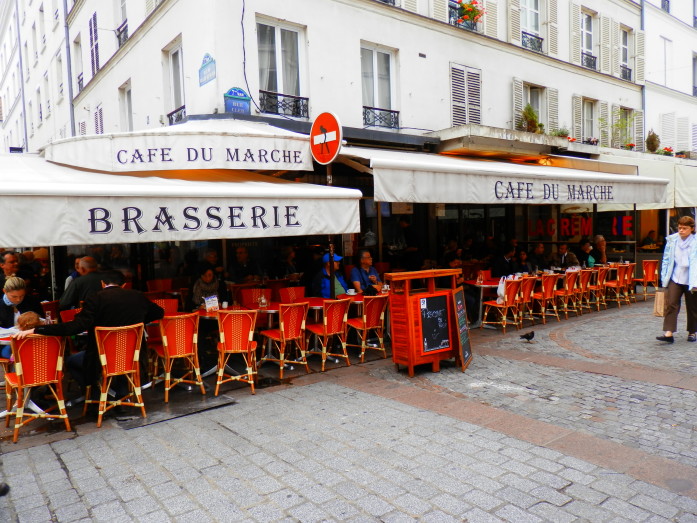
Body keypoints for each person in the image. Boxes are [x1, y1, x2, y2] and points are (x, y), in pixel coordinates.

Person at [16, 270, 164, 391]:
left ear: (102, 283)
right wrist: (136, 320)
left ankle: (97, 391)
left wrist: (38, 329)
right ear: (124, 284)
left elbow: (74, 327)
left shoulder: (95, 299)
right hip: (132, 355)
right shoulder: (137, 296)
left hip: (101, 358)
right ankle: (116, 392)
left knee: (72, 361)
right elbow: (159, 313)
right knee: (106, 361)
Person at [656, 216, 697, 343]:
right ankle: (669, 333)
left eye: (685, 228)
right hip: (675, 276)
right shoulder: (673, 240)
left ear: (692, 229)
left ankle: (692, 332)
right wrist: (664, 277)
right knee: (672, 303)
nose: (681, 231)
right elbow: (667, 259)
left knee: (692, 306)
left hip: (692, 278)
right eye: (679, 228)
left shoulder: (695, 242)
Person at [0, 277, 45, 358]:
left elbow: (41, 320)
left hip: (31, 339)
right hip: (6, 344)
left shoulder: (31, 301)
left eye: (22, 296)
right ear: (4, 291)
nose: (18, 299)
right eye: (14, 296)